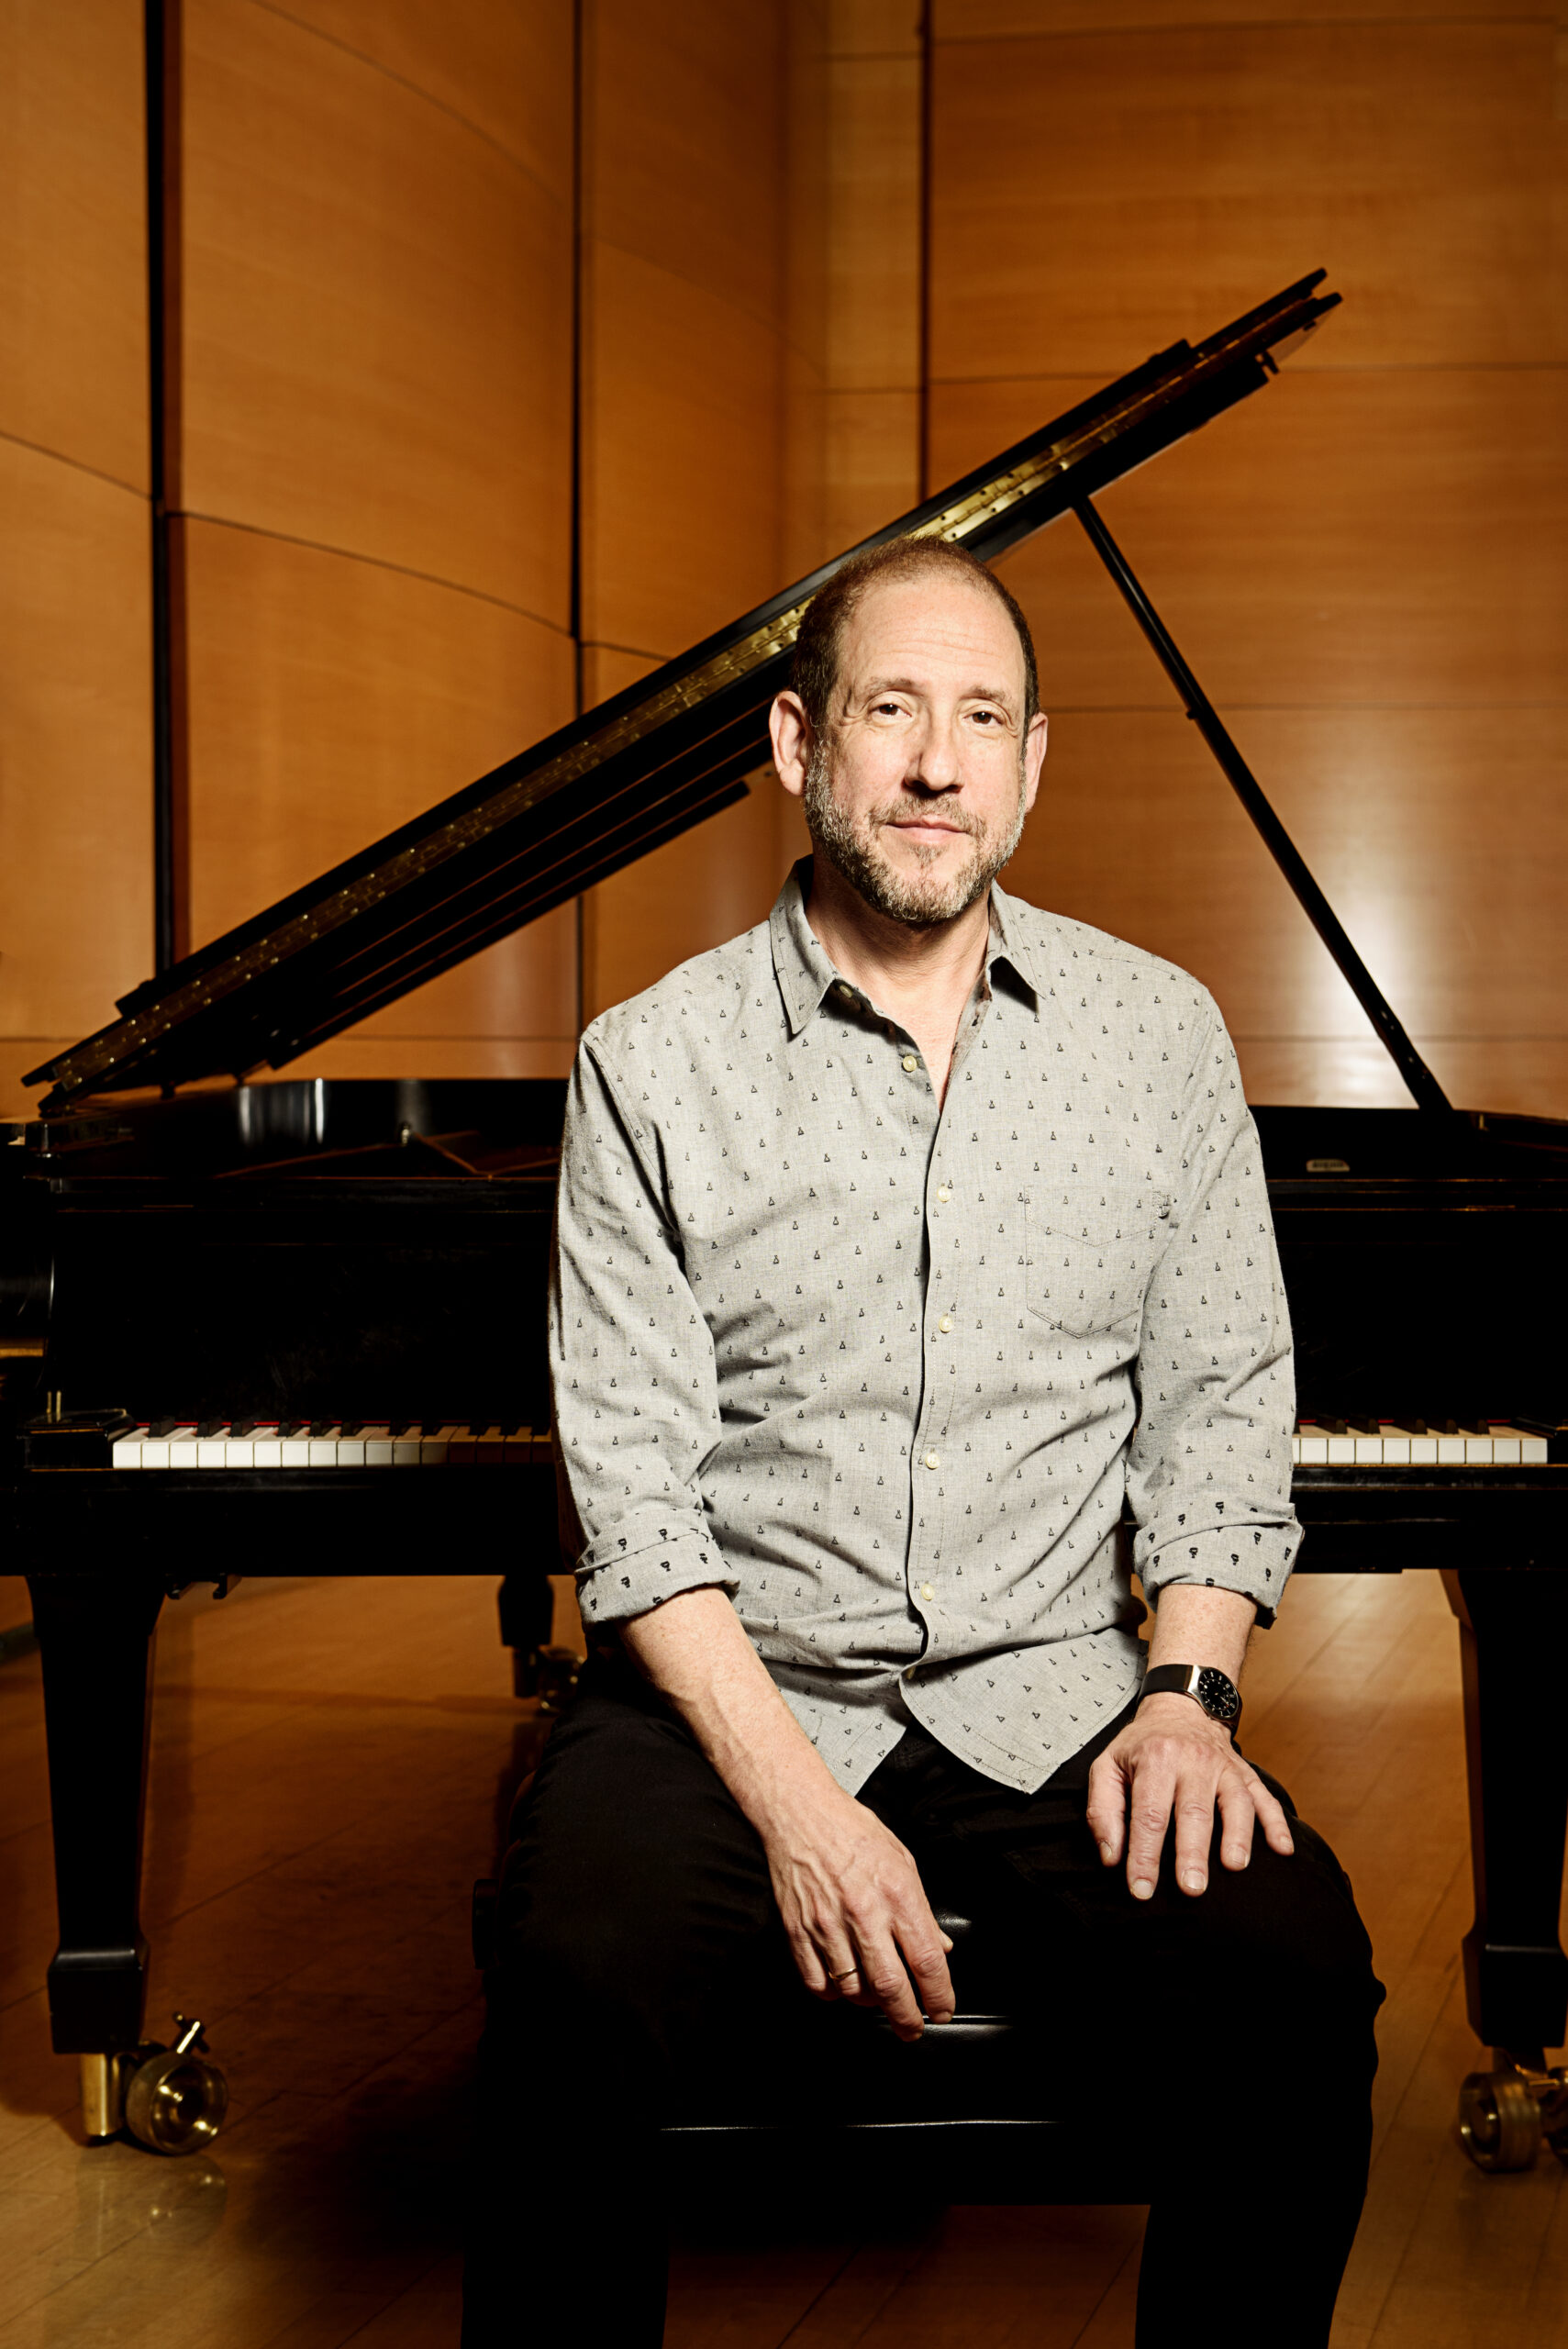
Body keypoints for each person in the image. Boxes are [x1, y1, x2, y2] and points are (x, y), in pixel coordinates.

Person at [462, 538, 1383, 2346]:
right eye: (895, 711)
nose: (939, 764)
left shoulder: (1160, 1037)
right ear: (804, 740)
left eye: (982, 719)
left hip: (1058, 1696)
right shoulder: (652, 1062)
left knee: (1290, 1982)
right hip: (732, 1693)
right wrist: (800, 1810)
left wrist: (1188, 1695)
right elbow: (636, 1497)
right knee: (571, 1972)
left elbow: (1220, 1409)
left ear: (1035, 761)